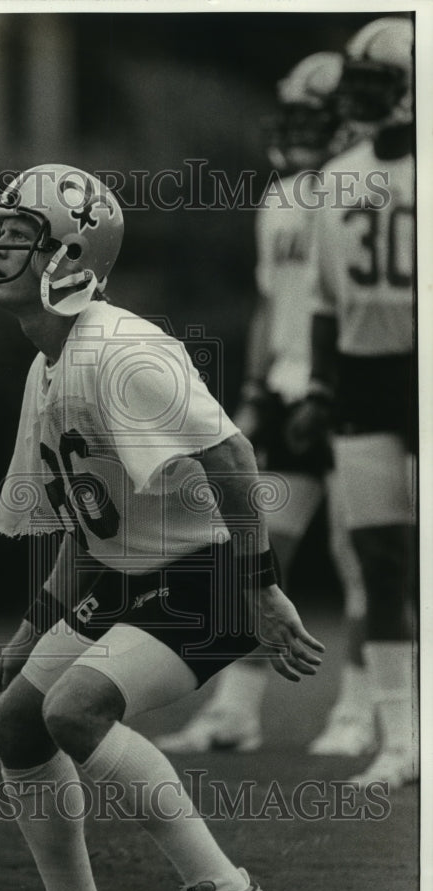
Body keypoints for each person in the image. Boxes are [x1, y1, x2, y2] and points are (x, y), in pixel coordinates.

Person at [0, 164, 324, 891]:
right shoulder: (48, 360)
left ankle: (223, 889)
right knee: (17, 719)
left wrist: (260, 589)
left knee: (75, 712)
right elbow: (85, 525)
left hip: (208, 575)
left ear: (70, 256)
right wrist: (34, 624)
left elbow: (232, 456)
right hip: (135, 578)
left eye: (19, 235)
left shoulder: (120, 351)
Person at [155, 52, 373, 759]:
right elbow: (268, 302)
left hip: (349, 389)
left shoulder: (371, 190)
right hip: (283, 389)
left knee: (361, 557)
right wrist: (250, 390)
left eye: (313, 115)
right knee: (257, 556)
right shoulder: (280, 196)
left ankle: (359, 709)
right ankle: (235, 712)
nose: (299, 128)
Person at [288, 17, 417, 789]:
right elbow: (324, 304)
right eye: (358, 85)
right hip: (366, 379)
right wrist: (318, 386)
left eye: (377, 83)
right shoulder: (337, 177)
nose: (363, 99)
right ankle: (399, 736)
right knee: (379, 559)